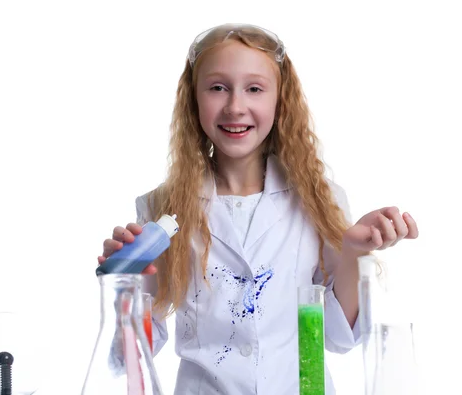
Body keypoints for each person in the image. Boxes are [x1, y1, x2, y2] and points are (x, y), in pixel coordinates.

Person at [97, 23, 419, 394]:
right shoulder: (160, 208)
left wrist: (352, 253)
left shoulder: (320, 197)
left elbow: (337, 337)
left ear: (280, 101)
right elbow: (129, 359)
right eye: (217, 87)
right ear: (194, 100)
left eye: (254, 89)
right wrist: (131, 286)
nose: (236, 106)